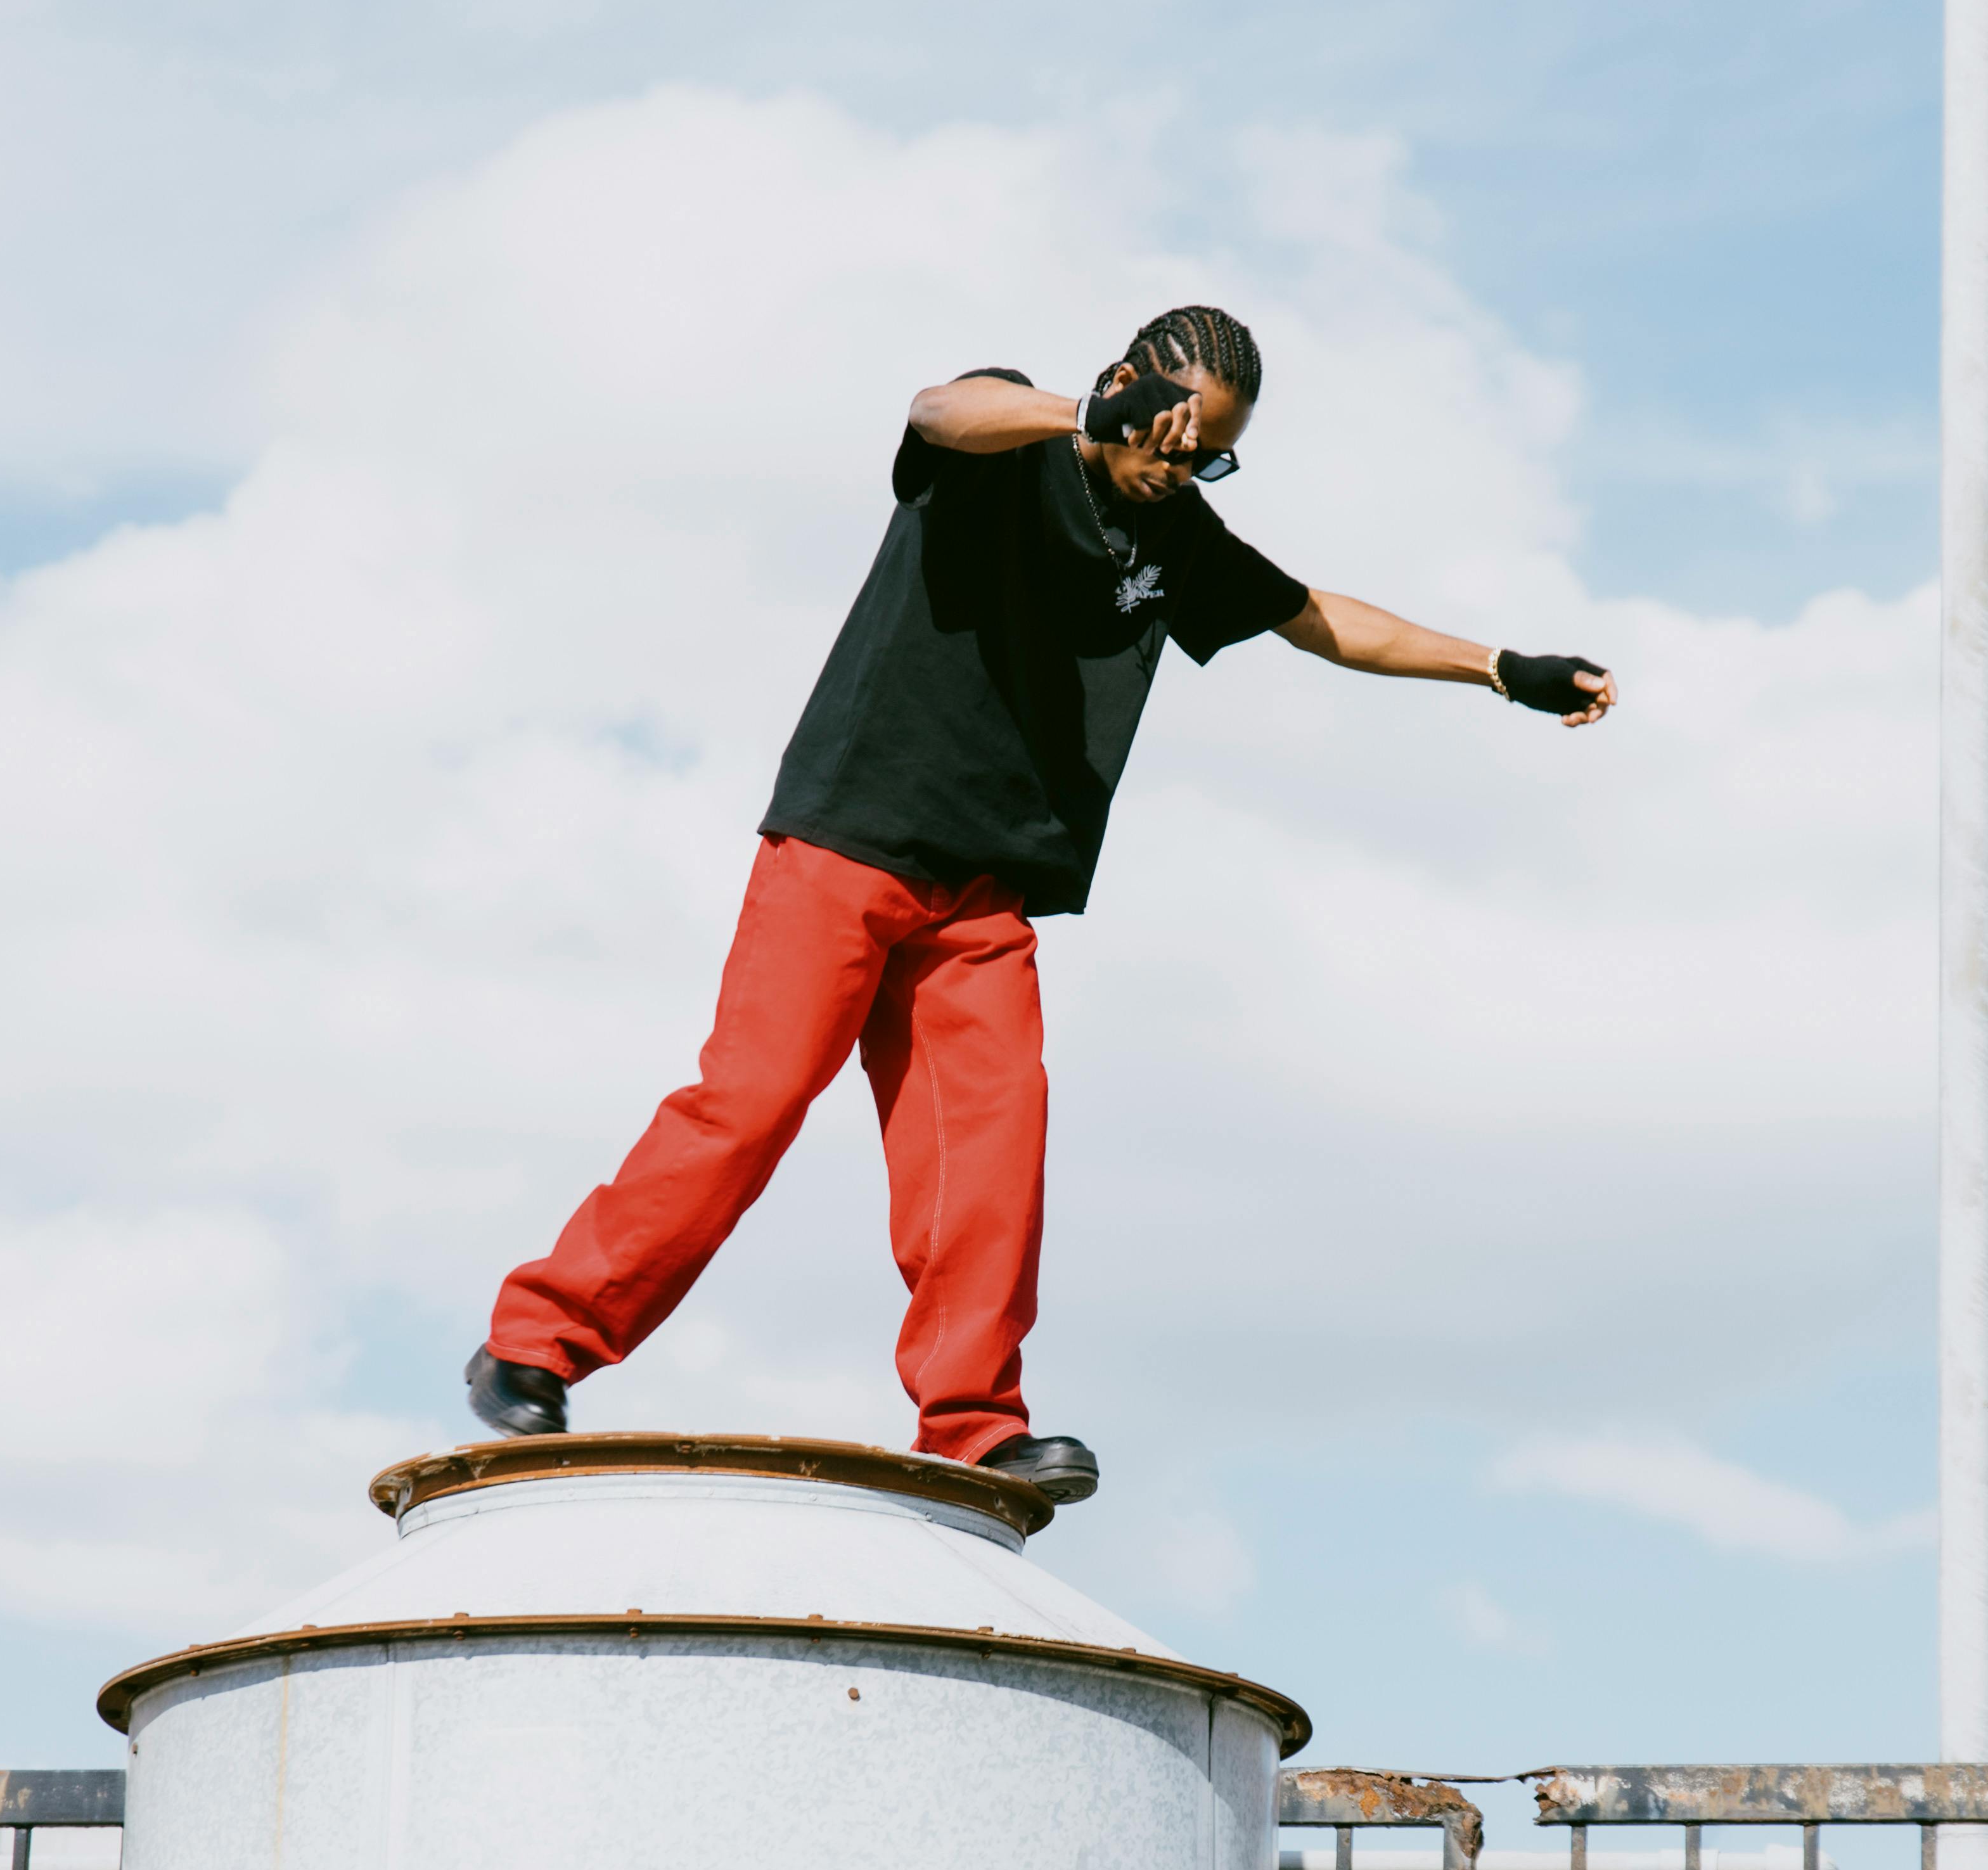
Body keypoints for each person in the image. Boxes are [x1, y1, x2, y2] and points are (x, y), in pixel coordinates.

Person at [466, 302, 1615, 1501]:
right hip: (849, 841)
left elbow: (1324, 622)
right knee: (748, 1106)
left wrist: (1498, 670)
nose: (1174, 470)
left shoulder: (1177, 533)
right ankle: (534, 1344)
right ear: (1123, 389)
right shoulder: (1005, 446)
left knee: (994, 1149)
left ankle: (970, 1422)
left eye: (1204, 456)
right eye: (1164, 439)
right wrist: (1083, 417)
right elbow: (936, 411)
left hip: (982, 888)